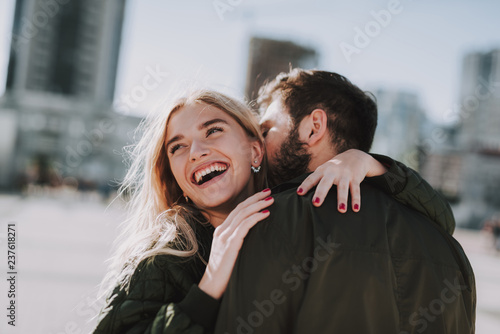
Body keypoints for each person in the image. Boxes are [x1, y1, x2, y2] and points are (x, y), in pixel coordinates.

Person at [92, 88, 457, 333]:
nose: (196, 151)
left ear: (255, 151)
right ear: (173, 174)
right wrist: (208, 286)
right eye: (177, 147)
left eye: (213, 131)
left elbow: (440, 220)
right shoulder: (167, 255)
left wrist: (370, 164)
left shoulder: (291, 219)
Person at [214, 69, 476, 333]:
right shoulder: (449, 249)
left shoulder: (269, 222)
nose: (257, 147)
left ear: (314, 127)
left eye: (267, 130)